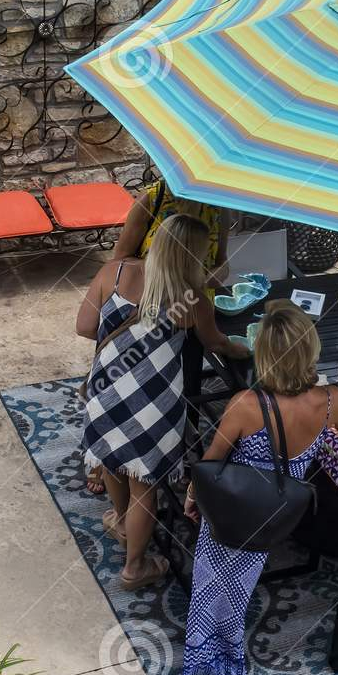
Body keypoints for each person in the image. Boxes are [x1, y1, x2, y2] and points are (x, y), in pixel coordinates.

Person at [181, 301, 338, 675]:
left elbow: (211, 461)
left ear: (263, 354)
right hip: (279, 511)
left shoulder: (245, 405)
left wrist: (190, 496)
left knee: (213, 575)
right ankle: (229, 643)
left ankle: (208, 649)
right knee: (243, 576)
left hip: (237, 502)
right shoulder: (332, 400)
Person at [80, 214, 249, 592]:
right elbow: (218, 344)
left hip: (105, 391)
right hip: (154, 405)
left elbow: (85, 326)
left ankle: (120, 520)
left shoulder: (116, 271)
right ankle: (134, 568)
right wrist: (246, 349)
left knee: (112, 459)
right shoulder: (193, 301)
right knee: (146, 484)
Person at [76, 180, 228, 495]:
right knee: (119, 378)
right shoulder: (153, 198)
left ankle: (166, 445)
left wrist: (201, 282)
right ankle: (107, 458)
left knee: (178, 379)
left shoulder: (219, 205)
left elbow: (222, 261)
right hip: (140, 302)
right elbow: (121, 255)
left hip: (188, 306)